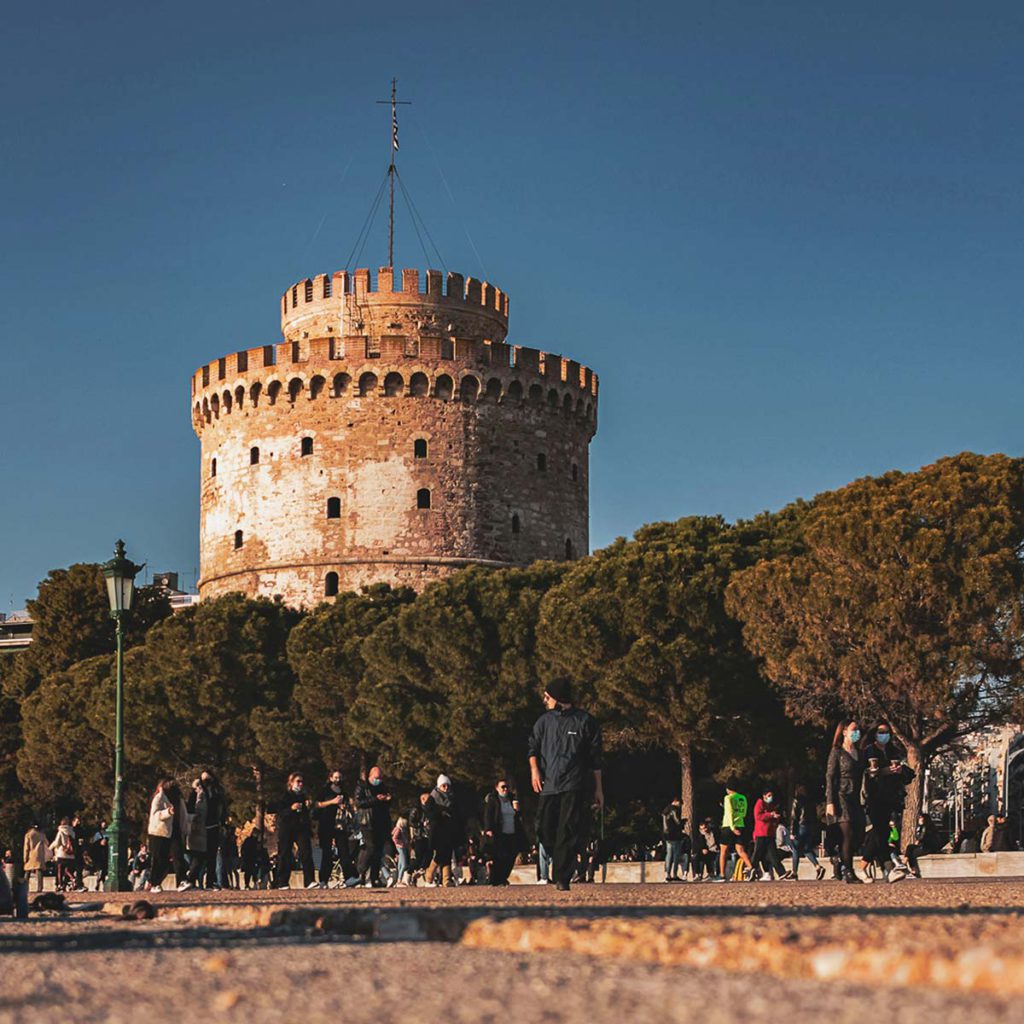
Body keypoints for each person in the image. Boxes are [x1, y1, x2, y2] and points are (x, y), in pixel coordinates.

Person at [528, 679, 604, 893]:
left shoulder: (585, 721)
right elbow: (532, 747)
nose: (544, 700)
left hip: (574, 785)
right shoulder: (543, 721)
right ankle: (558, 857)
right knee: (543, 830)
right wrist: (534, 770)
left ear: (558, 699)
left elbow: (595, 759)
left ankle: (562, 876)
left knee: (567, 830)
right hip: (549, 785)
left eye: (547, 696)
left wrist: (598, 789)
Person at [826, 718, 866, 884]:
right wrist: (830, 801)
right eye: (853, 729)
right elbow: (830, 776)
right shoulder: (837, 752)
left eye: (858, 730)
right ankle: (849, 871)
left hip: (855, 796)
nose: (856, 733)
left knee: (859, 833)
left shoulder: (859, 752)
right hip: (841, 795)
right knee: (847, 834)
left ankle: (839, 859)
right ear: (844, 732)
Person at [350, 766, 392, 887]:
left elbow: (387, 802)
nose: (378, 780)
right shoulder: (362, 787)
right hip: (367, 822)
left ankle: (374, 877)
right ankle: (360, 870)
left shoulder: (382, 786)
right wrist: (376, 799)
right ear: (370, 776)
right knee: (370, 847)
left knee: (378, 850)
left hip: (381, 822)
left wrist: (388, 799)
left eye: (380, 778)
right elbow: (359, 802)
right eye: (376, 778)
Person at [147, 779, 189, 893]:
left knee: (178, 856)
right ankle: (154, 883)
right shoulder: (159, 797)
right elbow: (155, 815)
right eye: (169, 783)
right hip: (160, 832)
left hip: (175, 830)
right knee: (160, 859)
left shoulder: (179, 799)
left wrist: (187, 827)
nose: (172, 785)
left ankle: (181, 881)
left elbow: (184, 815)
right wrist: (167, 812)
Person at [276, 772, 316, 888]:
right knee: (285, 854)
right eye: (298, 781)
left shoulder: (303, 797)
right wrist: (291, 808)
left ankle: (309, 881)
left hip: (301, 828)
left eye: (302, 782)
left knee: (306, 853)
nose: (300, 784)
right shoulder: (284, 796)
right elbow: (280, 813)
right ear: (291, 783)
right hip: (287, 828)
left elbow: (306, 815)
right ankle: (282, 882)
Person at [483, 778, 523, 886]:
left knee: (511, 856)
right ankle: (497, 879)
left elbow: (518, 817)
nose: (505, 789)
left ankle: (503, 877)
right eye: (502, 787)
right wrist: (488, 829)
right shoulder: (493, 800)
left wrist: (517, 811)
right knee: (500, 857)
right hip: (500, 832)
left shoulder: (512, 799)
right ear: (497, 788)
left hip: (512, 832)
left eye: (506, 787)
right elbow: (488, 815)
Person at [424, 775, 460, 887]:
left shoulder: (452, 797)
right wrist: (440, 812)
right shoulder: (432, 798)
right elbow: (428, 813)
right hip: (437, 830)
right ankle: (429, 876)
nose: (445, 788)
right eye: (443, 785)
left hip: (449, 830)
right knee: (439, 854)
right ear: (439, 786)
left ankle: (446, 880)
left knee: (447, 855)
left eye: (447, 785)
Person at [316, 769, 347, 888]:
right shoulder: (325, 790)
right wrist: (332, 802)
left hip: (339, 824)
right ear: (330, 778)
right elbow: (318, 804)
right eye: (335, 777)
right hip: (326, 824)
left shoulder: (344, 791)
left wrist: (343, 806)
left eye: (339, 777)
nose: (338, 780)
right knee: (327, 853)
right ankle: (323, 879)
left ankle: (348, 877)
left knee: (344, 851)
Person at [715, 781, 752, 882]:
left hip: (728, 826)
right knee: (740, 850)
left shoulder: (728, 798)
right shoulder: (742, 798)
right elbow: (744, 812)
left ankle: (722, 875)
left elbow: (729, 811)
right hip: (740, 824)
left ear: (728, 789)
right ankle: (750, 867)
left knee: (723, 851)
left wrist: (732, 827)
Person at [789, 783, 826, 880]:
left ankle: (794, 872)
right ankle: (817, 866)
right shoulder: (810, 801)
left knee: (796, 849)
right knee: (806, 849)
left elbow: (794, 817)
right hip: (810, 826)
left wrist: (792, 832)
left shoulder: (796, 800)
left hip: (801, 826)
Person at [750, 787, 786, 881]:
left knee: (773, 855)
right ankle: (751, 870)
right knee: (757, 853)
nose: (771, 797)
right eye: (769, 796)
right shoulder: (759, 804)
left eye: (772, 796)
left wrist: (775, 818)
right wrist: (770, 815)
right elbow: (758, 816)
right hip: (761, 833)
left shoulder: (771, 806)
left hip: (770, 834)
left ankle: (782, 873)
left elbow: (772, 818)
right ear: (764, 796)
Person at [180, 778, 209, 890]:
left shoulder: (195, 796)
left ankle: (190, 879)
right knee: (198, 856)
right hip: (197, 828)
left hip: (193, 829)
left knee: (195, 856)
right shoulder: (201, 796)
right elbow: (200, 811)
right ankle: (189, 878)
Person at [200, 770, 225, 889]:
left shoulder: (216, 792)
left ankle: (210, 881)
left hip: (213, 825)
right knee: (200, 856)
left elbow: (221, 807)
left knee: (212, 856)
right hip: (202, 826)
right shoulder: (200, 791)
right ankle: (194, 879)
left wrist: (222, 823)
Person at [49, 817, 78, 891]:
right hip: (71, 855)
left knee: (60, 871)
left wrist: (50, 848)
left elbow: (57, 842)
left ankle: (60, 885)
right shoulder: (72, 832)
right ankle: (72, 879)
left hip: (61, 854)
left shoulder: (61, 832)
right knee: (68, 870)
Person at [662, 799, 686, 882]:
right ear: (677, 802)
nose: (680, 806)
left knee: (669, 854)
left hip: (667, 835)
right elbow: (677, 821)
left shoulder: (665, 810)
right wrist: (683, 822)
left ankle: (667, 874)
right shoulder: (674, 809)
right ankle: (674, 874)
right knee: (676, 855)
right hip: (675, 834)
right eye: (680, 804)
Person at [409, 792, 432, 876]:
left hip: (428, 835)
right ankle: (408, 872)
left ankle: (422, 869)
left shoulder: (430, 809)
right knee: (418, 857)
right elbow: (411, 822)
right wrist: (421, 824)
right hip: (419, 836)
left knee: (429, 854)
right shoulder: (416, 810)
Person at [23, 823, 49, 893]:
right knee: (39, 870)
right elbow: (47, 843)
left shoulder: (28, 835)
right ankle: (40, 887)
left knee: (27, 871)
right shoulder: (42, 834)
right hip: (39, 854)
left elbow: (26, 847)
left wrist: (25, 857)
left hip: (31, 854)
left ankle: (25, 887)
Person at [391, 816, 411, 886]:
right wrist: (401, 843)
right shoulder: (399, 829)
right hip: (400, 847)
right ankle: (399, 879)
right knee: (403, 864)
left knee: (400, 864)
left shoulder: (401, 829)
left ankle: (398, 879)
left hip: (401, 847)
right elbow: (394, 838)